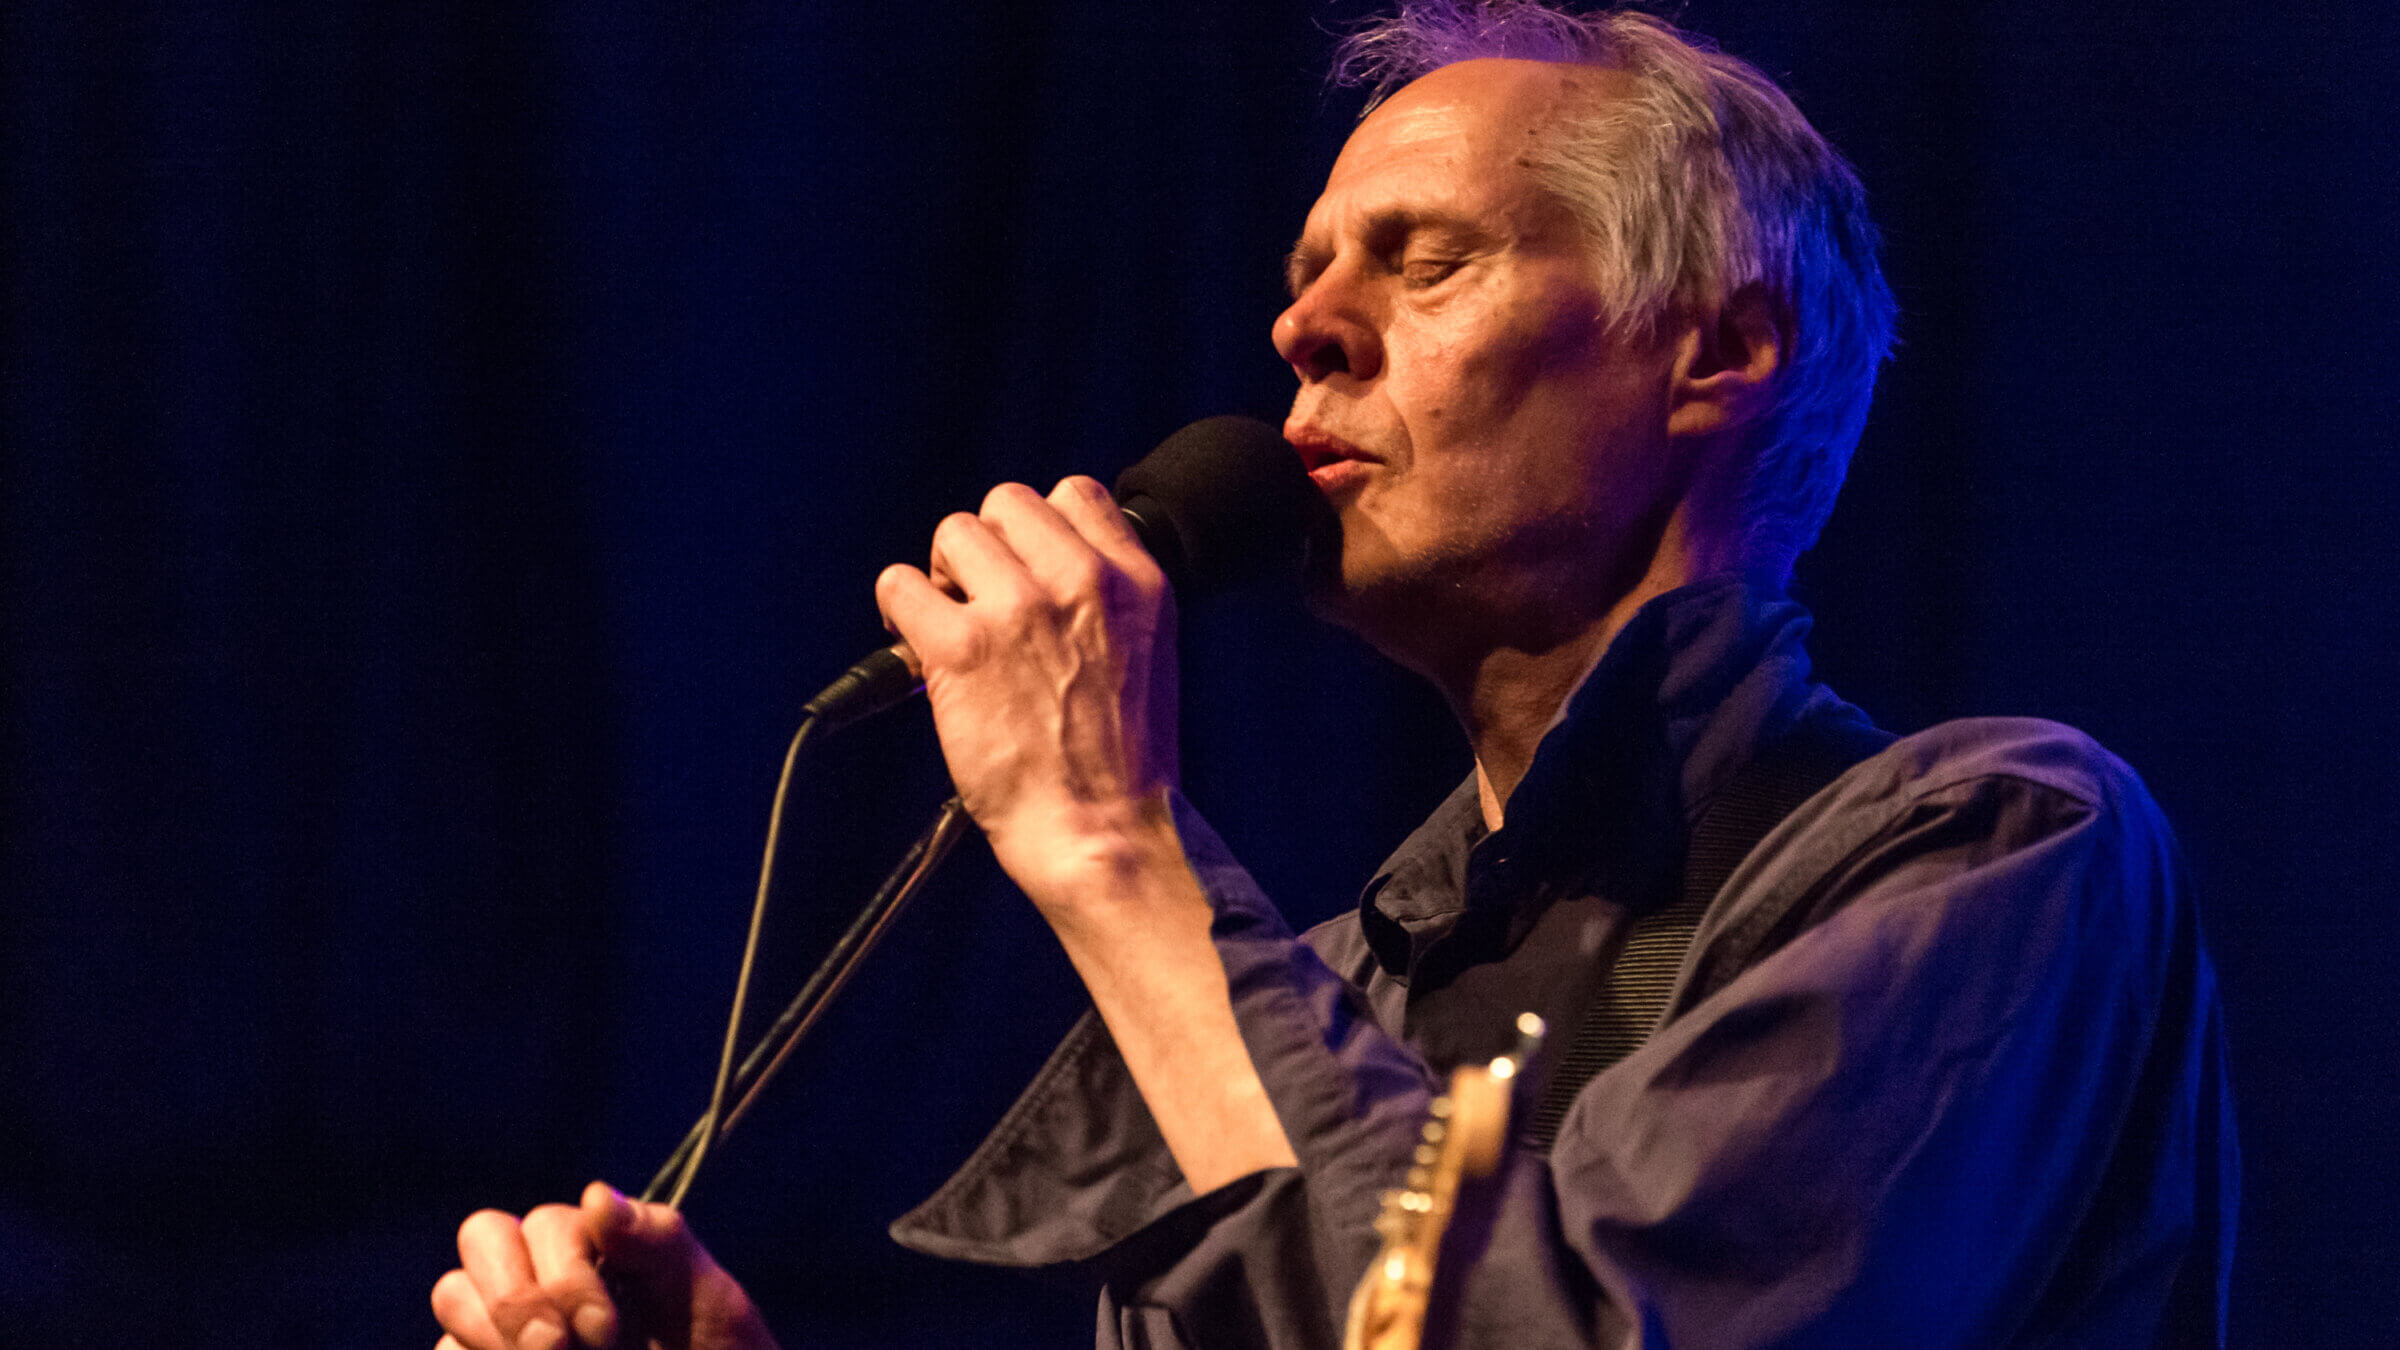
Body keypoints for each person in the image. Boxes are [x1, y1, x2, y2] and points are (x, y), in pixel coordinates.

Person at [431, 4, 2236, 1348]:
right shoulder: (1340, 979)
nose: (1302, 328)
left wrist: (1110, 839)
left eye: (1424, 259)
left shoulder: (2002, 852)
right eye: (1304, 276)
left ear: (1721, 351)